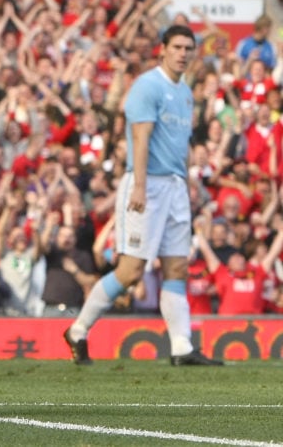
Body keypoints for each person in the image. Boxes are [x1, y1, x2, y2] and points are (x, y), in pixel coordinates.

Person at [64, 25, 223, 366]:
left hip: (176, 186)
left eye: (188, 48)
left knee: (177, 266)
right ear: (162, 49)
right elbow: (140, 138)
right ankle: (78, 330)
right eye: (177, 47)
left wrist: (187, 182)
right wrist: (138, 185)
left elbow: (180, 142)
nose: (183, 53)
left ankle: (181, 346)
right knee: (131, 271)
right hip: (146, 183)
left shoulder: (185, 93)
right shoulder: (148, 86)